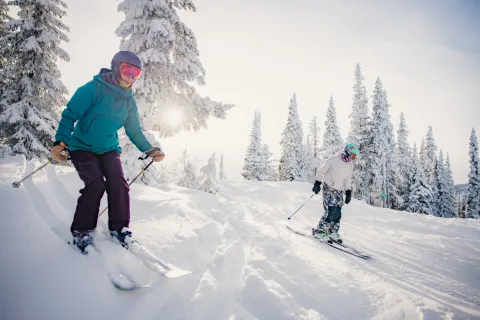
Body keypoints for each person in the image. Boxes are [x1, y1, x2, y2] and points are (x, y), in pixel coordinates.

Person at [51, 50, 165, 253]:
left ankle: (119, 228)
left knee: (119, 184)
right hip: (82, 146)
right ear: (115, 67)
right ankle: (82, 231)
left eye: (135, 73)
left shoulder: (128, 100)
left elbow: (134, 130)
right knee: (95, 185)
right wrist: (60, 143)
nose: (131, 77)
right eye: (127, 70)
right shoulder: (92, 89)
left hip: (109, 148)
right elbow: (70, 115)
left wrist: (149, 149)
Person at [311, 143, 359, 243]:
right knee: (330, 210)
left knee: (337, 212)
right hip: (328, 188)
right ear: (347, 152)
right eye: (353, 155)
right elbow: (321, 171)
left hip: (339, 190)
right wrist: (317, 183)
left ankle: (333, 232)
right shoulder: (333, 160)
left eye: (355, 156)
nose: (353, 158)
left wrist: (348, 191)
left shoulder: (349, 165)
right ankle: (320, 231)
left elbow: (347, 179)